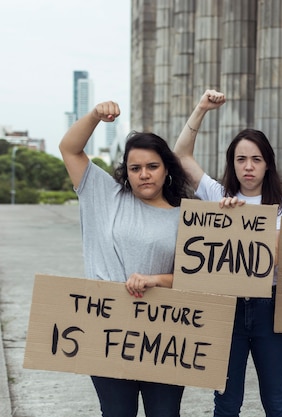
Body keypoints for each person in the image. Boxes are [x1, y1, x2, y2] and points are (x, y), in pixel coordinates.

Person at [59, 101, 196, 417]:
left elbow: (200, 280)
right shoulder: (103, 194)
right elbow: (69, 148)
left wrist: (156, 280)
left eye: (152, 166)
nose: (144, 174)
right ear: (126, 172)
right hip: (107, 328)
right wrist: (95, 116)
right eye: (135, 168)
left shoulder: (187, 217)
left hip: (164, 334)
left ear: (166, 169)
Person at [173, 89, 282, 417]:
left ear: (267, 163)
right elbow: (181, 156)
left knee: (278, 401)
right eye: (241, 159)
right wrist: (200, 108)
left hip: (270, 308)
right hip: (226, 308)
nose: (248, 167)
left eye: (256, 159)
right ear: (233, 164)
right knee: (226, 402)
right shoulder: (217, 194)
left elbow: (275, 256)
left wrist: (239, 220)